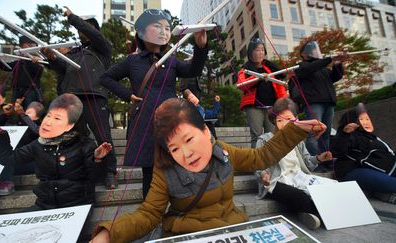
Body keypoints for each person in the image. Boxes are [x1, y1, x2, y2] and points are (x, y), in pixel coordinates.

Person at [90, 98, 326, 243]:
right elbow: (149, 214)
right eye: (174, 147)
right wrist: (108, 234)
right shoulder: (165, 171)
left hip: (232, 230)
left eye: (189, 139)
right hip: (187, 236)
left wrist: (297, 129)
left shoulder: (222, 151)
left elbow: (261, 156)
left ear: (205, 131)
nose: (186, 153)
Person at [99, 9, 208, 198]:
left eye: (167, 28)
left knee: (177, 164)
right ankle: (150, 216)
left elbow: (194, 70)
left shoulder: (172, 60)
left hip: (172, 120)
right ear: (141, 32)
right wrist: (128, 95)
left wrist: (200, 46)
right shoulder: (132, 61)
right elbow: (106, 78)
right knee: (149, 170)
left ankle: (178, 208)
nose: (163, 31)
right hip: (145, 120)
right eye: (157, 26)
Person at [0, 93, 112, 210]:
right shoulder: (39, 144)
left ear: (71, 124)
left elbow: (95, 178)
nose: (49, 121)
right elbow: (8, 159)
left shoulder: (86, 145)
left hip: (77, 206)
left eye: (57, 118)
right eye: (49, 116)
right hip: (44, 205)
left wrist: (97, 160)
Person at [42, 7, 118, 189]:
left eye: (85, 28)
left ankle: (110, 172)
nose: (81, 32)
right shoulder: (73, 52)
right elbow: (62, 69)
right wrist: (52, 58)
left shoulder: (102, 48)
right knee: (76, 138)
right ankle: (81, 171)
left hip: (94, 96)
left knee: (103, 136)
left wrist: (72, 18)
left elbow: (93, 34)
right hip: (72, 100)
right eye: (79, 29)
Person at [256, 97, 336, 230]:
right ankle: (321, 215)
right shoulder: (264, 139)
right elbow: (258, 163)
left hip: (299, 176)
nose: (284, 124)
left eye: (289, 119)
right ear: (274, 121)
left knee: (331, 185)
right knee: (300, 196)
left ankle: (312, 213)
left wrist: (319, 158)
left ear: (296, 120)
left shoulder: (297, 140)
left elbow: (307, 162)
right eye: (280, 120)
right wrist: (263, 175)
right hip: (276, 181)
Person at [331, 103, 396, 204]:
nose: (366, 122)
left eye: (367, 119)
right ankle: (381, 191)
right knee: (391, 183)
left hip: (376, 168)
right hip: (352, 171)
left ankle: (378, 192)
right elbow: (336, 152)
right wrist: (345, 134)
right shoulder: (348, 135)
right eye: (362, 119)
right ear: (353, 121)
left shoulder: (372, 136)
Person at [293, 41, 347, 156]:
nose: (317, 51)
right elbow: (309, 69)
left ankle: (325, 158)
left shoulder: (323, 69)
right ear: (305, 54)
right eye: (313, 50)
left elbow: (336, 76)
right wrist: (329, 59)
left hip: (328, 102)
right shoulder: (302, 66)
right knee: (314, 132)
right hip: (314, 103)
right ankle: (314, 161)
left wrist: (337, 64)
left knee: (326, 133)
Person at [236, 38, 287, 148]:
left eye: (263, 50)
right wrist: (258, 77)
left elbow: (279, 87)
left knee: (272, 135)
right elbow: (241, 84)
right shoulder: (245, 69)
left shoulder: (270, 68)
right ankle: (257, 163)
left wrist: (284, 104)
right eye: (257, 50)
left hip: (271, 107)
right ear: (250, 52)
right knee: (257, 135)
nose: (261, 53)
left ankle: (272, 162)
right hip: (254, 107)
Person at [0, 36, 43, 109]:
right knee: (14, 111)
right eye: (23, 46)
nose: (25, 48)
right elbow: (7, 67)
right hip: (16, 90)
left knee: (29, 111)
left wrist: (33, 60)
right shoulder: (19, 62)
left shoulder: (38, 60)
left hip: (30, 91)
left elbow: (38, 72)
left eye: (29, 45)